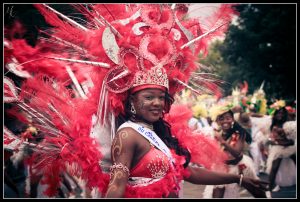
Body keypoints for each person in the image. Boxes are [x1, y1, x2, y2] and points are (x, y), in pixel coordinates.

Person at [4, 4, 268, 198]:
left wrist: (240, 178)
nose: (156, 103)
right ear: (132, 101)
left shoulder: (160, 132)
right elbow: (118, 183)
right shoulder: (128, 135)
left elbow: (187, 173)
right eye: (148, 97)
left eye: (160, 98)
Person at [203, 104, 264, 198]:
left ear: (232, 119)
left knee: (257, 191)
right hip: (221, 167)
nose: (225, 121)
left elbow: (236, 153)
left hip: (240, 166)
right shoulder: (215, 133)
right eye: (221, 119)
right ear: (218, 121)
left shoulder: (240, 132)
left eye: (228, 118)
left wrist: (222, 141)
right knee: (217, 194)